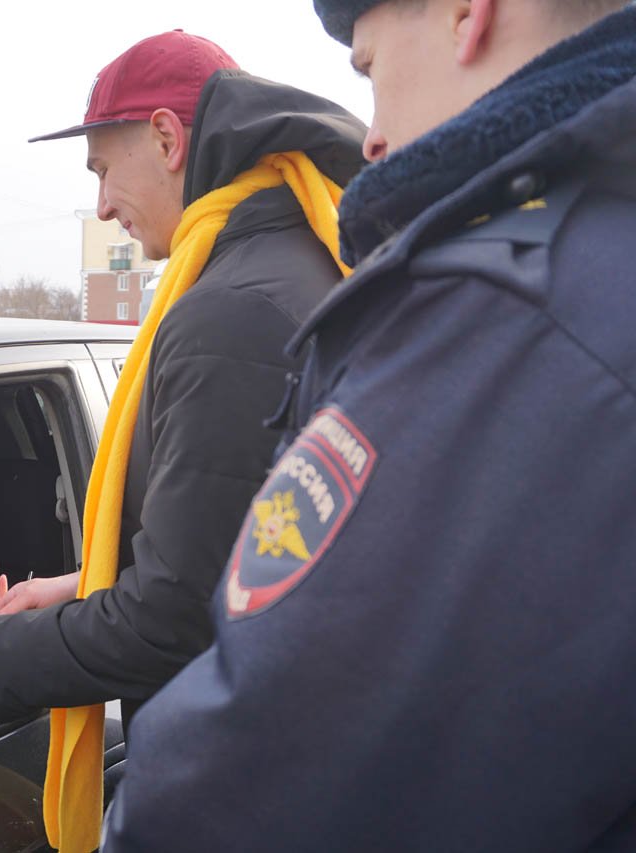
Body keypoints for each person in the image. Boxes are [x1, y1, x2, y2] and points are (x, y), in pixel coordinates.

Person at [103, 1, 636, 850]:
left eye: (369, 70)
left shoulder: (498, 312)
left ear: (469, 13)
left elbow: (273, 758)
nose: (372, 137)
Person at [0, 30, 366, 851]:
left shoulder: (228, 311)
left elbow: (175, 617)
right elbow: (246, 550)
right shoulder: (292, 264)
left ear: (168, 139)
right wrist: (78, 582)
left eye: (102, 169)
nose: (101, 205)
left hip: (238, 783)